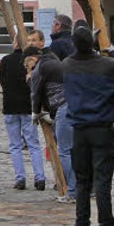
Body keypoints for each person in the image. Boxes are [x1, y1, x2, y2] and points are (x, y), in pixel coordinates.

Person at [62, 22, 114, 226]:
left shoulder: (67, 65)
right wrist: (109, 48)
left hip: (79, 130)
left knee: (82, 182)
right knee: (102, 182)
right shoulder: (109, 66)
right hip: (101, 128)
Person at [25, 44, 76, 201]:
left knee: (64, 151)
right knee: (72, 150)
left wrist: (35, 113)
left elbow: (36, 94)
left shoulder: (39, 68)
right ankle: (76, 188)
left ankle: (73, 191)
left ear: (32, 59)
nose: (29, 70)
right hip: (75, 104)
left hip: (64, 107)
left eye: (27, 66)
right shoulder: (54, 61)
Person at [0, 38, 46, 191]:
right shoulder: (32, 61)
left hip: (10, 106)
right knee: (33, 145)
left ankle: (20, 178)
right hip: (27, 106)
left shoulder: (6, 60)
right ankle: (39, 178)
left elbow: (3, 82)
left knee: (15, 145)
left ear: (14, 44)